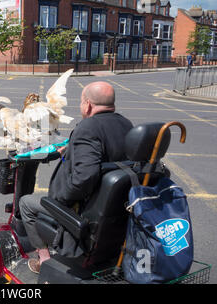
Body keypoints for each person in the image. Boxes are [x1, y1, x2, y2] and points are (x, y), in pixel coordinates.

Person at [19, 81, 133, 274]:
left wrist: (58, 201)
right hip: (114, 207)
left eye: (81, 102)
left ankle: (44, 261)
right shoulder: (125, 124)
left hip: (83, 210)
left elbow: (84, 178)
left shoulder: (88, 128)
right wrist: (71, 150)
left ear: (87, 104)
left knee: (26, 203)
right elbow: (103, 155)